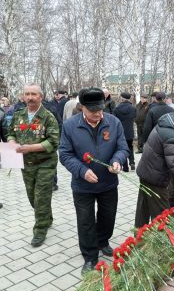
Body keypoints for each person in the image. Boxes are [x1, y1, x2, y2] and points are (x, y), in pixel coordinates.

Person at [59, 87, 129, 274]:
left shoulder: (113, 122)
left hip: (108, 182)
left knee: (108, 216)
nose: (98, 114)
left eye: (101, 109)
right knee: (85, 221)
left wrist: (117, 160)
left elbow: (122, 148)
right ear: (82, 107)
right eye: (93, 111)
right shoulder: (70, 126)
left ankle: (102, 241)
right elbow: (65, 155)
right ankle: (90, 257)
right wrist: (82, 171)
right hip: (83, 185)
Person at [7, 84, 60, 246]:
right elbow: (10, 133)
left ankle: (40, 230)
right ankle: (47, 217)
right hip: (26, 163)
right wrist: (12, 143)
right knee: (32, 197)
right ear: (23, 96)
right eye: (27, 94)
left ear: (40, 97)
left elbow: (53, 141)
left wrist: (30, 148)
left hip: (45, 163)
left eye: (33, 94)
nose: (29, 97)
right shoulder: (18, 115)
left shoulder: (48, 117)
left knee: (41, 197)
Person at [114, 92, 136, 171]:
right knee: (130, 147)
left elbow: (114, 121)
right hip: (130, 131)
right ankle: (132, 163)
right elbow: (134, 118)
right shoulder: (133, 108)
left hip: (121, 132)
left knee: (122, 149)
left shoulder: (117, 108)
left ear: (122, 98)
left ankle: (125, 167)